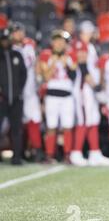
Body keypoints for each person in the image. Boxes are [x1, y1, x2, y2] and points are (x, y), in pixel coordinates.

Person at [70, 21, 109, 166]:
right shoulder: (80, 44)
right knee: (84, 120)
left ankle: (95, 152)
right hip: (84, 88)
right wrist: (95, 86)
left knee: (93, 119)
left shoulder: (89, 46)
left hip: (90, 88)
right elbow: (83, 68)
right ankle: (76, 153)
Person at [39, 30, 76, 162]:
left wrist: (67, 65)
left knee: (67, 126)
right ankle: (49, 154)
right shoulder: (46, 55)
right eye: (57, 41)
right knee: (51, 126)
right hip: (52, 95)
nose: (59, 44)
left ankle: (67, 154)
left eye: (62, 41)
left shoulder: (71, 55)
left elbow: (74, 76)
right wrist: (54, 63)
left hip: (67, 95)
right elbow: (46, 77)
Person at [10, 22, 44, 161]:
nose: (19, 34)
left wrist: (39, 80)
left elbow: (36, 63)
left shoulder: (30, 45)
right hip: (15, 91)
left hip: (30, 90)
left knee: (35, 119)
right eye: (16, 32)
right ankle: (20, 151)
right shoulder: (8, 49)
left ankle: (36, 150)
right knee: (16, 123)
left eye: (20, 31)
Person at [0, 28, 27, 165]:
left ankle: (17, 157)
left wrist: (19, 91)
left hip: (16, 98)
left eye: (7, 40)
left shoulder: (17, 54)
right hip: (1, 99)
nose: (5, 42)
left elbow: (24, 74)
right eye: (3, 40)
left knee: (17, 129)